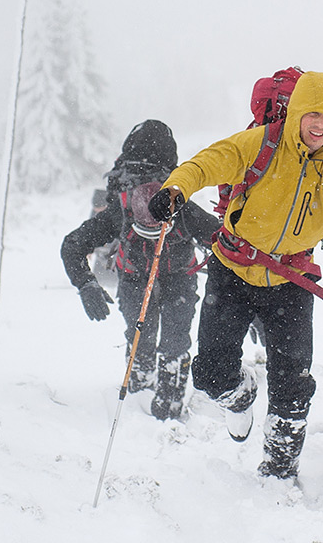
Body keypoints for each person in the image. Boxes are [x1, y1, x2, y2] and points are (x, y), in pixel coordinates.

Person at [146, 71, 323, 480]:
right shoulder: (260, 143)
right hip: (232, 272)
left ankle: (278, 470)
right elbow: (205, 164)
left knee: (293, 388)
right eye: (313, 114)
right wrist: (176, 190)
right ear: (297, 113)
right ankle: (239, 397)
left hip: (291, 283)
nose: (320, 125)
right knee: (211, 375)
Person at [61, 119, 220, 421]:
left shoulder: (120, 207)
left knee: (140, 339)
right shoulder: (182, 208)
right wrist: (237, 298)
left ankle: (137, 404)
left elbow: (71, 245)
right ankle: (168, 411)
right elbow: (224, 246)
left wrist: (86, 285)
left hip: (133, 277)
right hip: (179, 278)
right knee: (175, 344)